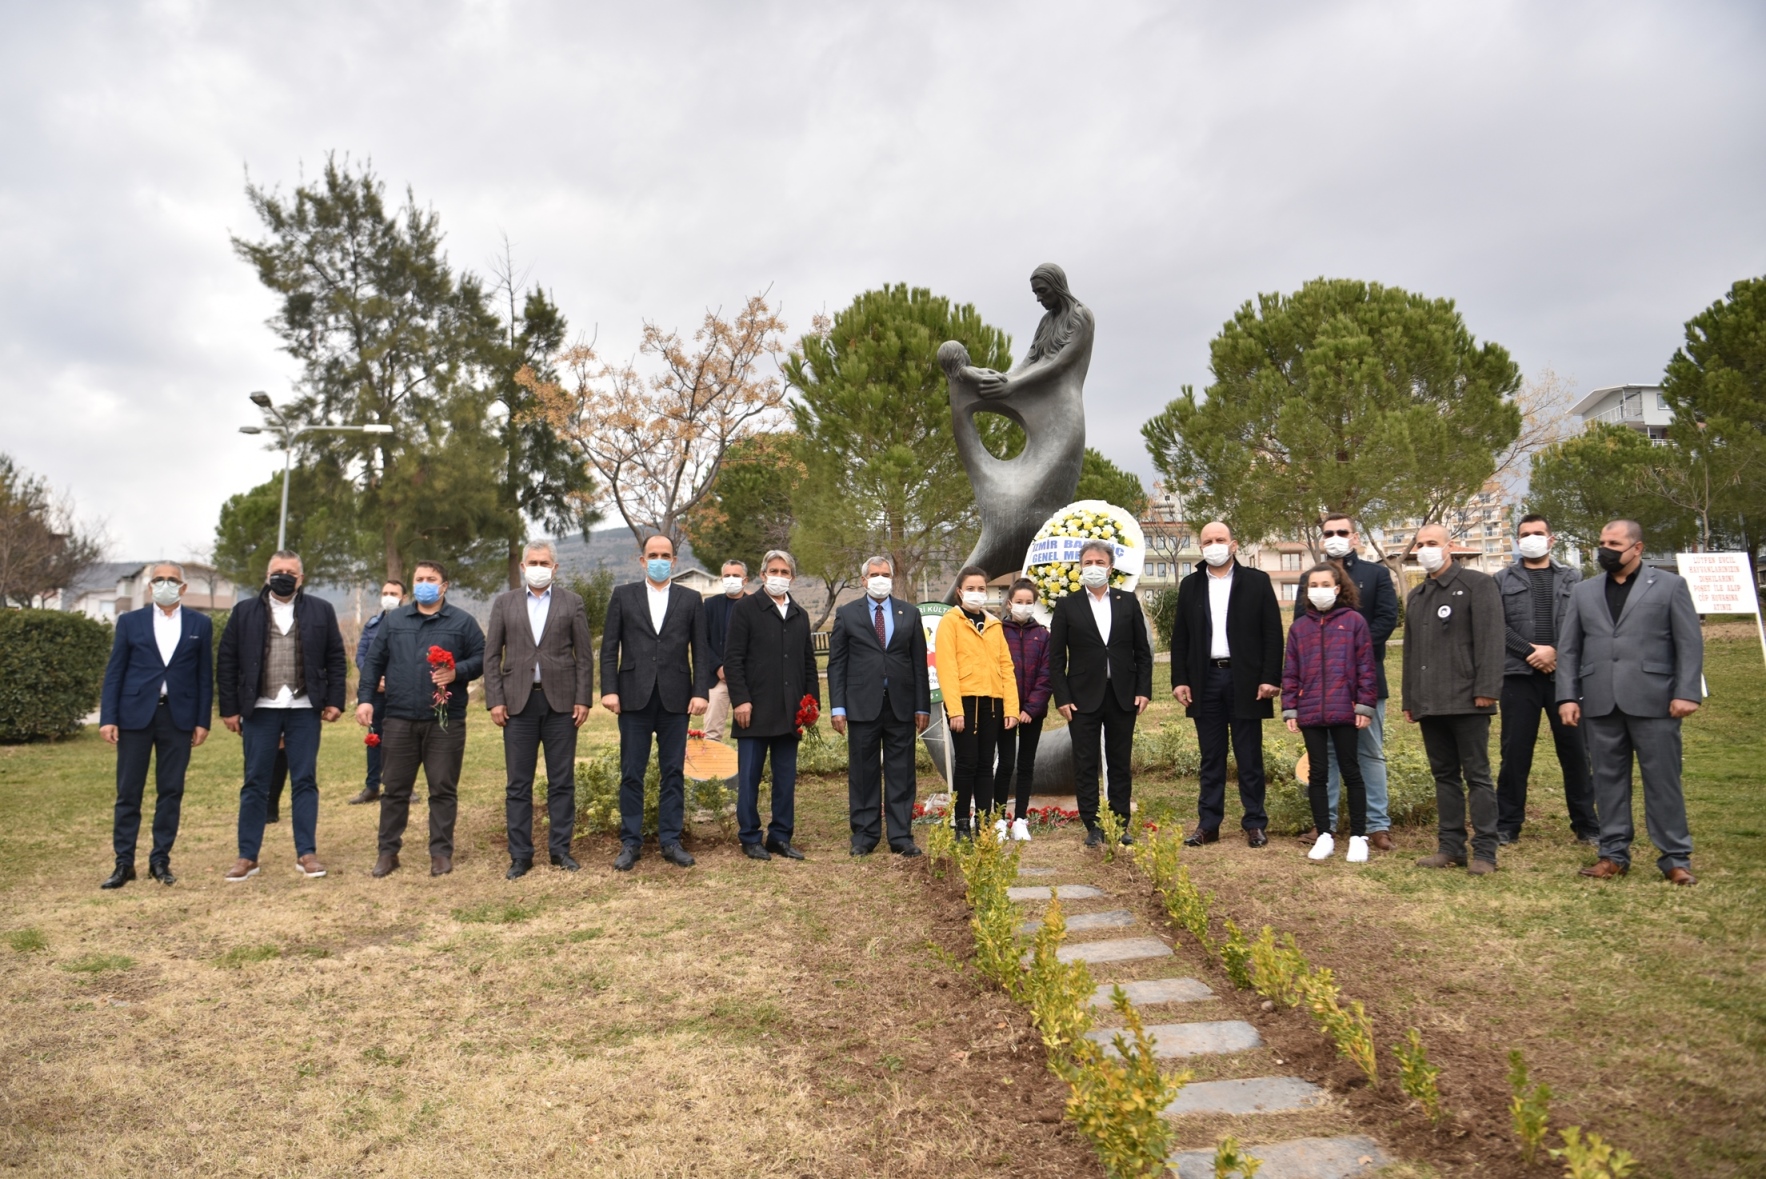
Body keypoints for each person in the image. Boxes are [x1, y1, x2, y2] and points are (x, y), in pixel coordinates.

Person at [1558, 519, 1703, 885]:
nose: (1604, 548)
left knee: (1663, 781)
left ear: (1637, 548)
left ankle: (1674, 857)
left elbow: (1688, 643)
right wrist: (1567, 696)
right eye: (1601, 541)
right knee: (1607, 782)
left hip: (1655, 700)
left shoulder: (1670, 586)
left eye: (1613, 542)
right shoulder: (1584, 591)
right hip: (1600, 702)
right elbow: (1569, 648)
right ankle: (1613, 854)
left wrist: (1686, 691)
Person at [217, 551, 347, 882]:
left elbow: (335, 656)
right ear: (266, 575)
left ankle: (307, 853)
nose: (284, 576)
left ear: (301, 578)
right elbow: (227, 660)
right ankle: (247, 856)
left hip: (305, 708)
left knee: (305, 780)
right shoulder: (244, 612)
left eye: (291, 571)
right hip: (259, 709)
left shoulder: (321, 609)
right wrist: (229, 708)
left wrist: (335, 699)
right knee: (255, 782)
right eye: (278, 571)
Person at [356, 559, 485, 878]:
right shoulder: (394, 620)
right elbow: (373, 662)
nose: (423, 583)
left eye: (431, 578)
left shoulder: (463, 622)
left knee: (442, 788)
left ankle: (440, 853)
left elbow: (483, 658)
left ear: (444, 586)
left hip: (445, 721)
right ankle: (388, 852)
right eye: (418, 578)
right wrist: (365, 700)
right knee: (394, 788)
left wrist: (458, 672)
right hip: (399, 717)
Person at [598, 534, 712, 872]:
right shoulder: (623, 595)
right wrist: (610, 689)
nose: (659, 559)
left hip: (676, 698)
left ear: (674, 561)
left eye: (666, 555)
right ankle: (630, 843)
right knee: (632, 772)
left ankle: (670, 841)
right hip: (633, 696)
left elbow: (701, 650)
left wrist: (700, 691)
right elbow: (609, 648)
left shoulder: (691, 599)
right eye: (653, 554)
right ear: (642, 560)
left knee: (673, 771)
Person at [97, 562, 213, 888]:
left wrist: (201, 720)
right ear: (150, 587)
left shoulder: (200, 624)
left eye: (172, 580)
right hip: (134, 716)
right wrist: (109, 717)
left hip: (178, 717)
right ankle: (124, 864)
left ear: (183, 587)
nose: (165, 584)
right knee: (128, 792)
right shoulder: (130, 622)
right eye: (159, 580)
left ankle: (160, 861)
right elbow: (115, 672)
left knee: (171, 790)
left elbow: (205, 676)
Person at [484, 541, 594, 879]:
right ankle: (520, 855)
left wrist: (583, 698)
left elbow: (584, 656)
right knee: (518, 784)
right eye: (532, 561)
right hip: (517, 704)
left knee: (562, 782)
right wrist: (495, 699)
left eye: (544, 562)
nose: (538, 566)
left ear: (555, 568)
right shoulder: (504, 604)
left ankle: (560, 850)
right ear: (522, 566)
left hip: (561, 704)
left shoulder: (571, 602)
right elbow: (491, 656)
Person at [1170, 521, 1283, 848]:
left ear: (1233, 544)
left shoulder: (1257, 582)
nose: (1214, 545)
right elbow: (1181, 639)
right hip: (1205, 680)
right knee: (1211, 757)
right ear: (1201, 546)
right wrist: (1180, 680)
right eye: (1208, 540)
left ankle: (1255, 823)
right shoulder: (1190, 586)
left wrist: (1270, 677)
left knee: (1249, 755)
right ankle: (1209, 823)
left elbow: (1273, 634)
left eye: (1220, 539)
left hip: (1246, 679)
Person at [1291, 513, 1400, 850]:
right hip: (1320, 690)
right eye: (1329, 533)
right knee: (1324, 758)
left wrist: (1354, 650)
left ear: (1354, 537)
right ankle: (1326, 825)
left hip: (1363, 683)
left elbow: (1387, 618)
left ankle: (1376, 825)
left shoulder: (1376, 574)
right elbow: (1301, 626)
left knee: (1368, 754)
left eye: (1342, 532)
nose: (1335, 537)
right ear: (1322, 539)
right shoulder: (1311, 577)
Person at [1402, 525, 1504, 875]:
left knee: (1477, 775)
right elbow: (1411, 653)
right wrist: (1410, 698)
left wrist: (1487, 688)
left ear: (1450, 547)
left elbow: (1492, 640)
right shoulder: (1417, 595)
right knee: (1443, 775)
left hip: (1469, 699)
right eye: (1420, 544)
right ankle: (1450, 847)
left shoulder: (1478, 584)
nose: (1426, 549)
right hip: (1429, 702)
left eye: (1433, 543)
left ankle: (1486, 852)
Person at [1494, 515, 1597, 845]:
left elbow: (1581, 623)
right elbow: (1496, 625)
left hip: (1564, 678)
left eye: (1538, 534)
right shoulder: (1500, 580)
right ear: (1517, 540)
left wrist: (1554, 652)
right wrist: (1529, 651)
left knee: (1576, 753)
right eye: (1525, 534)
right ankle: (1507, 825)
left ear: (1551, 540)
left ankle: (1586, 825)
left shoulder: (1574, 578)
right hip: (1518, 677)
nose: (1531, 539)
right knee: (1514, 753)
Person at [1049, 539, 1153, 847]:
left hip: (1123, 694)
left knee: (1119, 760)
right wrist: (1063, 696)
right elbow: (1056, 658)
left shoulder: (1127, 601)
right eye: (1087, 563)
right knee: (1085, 761)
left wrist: (1143, 689)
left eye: (1099, 562)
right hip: (1082, 698)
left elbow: (1142, 651)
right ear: (1080, 568)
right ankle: (1093, 825)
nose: (1094, 567)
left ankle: (1120, 824)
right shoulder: (1068, 605)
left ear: (1110, 567)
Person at [828, 555, 931, 856]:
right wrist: (837, 708)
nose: (880, 578)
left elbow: (919, 664)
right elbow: (837, 665)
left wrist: (922, 706)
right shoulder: (847, 614)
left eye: (885, 573)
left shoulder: (909, 613)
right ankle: (865, 834)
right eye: (874, 574)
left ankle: (900, 835)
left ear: (892, 577)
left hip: (901, 705)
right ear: (863, 580)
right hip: (861, 705)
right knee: (863, 772)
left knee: (901, 772)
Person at [723, 549, 818, 861]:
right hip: (753, 711)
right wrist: (741, 700)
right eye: (773, 571)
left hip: (790, 713)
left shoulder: (800, 615)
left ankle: (780, 836)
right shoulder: (747, 609)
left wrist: (811, 706)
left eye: (785, 572)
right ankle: (750, 836)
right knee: (749, 778)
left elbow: (807, 664)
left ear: (792, 577)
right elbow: (733, 659)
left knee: (785, 779)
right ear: (763, 575)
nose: (779, 576)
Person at [1283, 563, 1378, 863]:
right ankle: (1324, 833)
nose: (1319, 590)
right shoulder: (1299, 628)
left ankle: (1359, 836)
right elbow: (1291, 671)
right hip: (1310, 710)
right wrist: (1290, 707)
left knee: (1352, 771)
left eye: (1326, 584)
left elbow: (1366, 667)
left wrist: (1364, 704)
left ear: (1338, 589)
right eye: (1313, 585)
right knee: (1318, 774)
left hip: (1345, 710)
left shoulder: (1354, 622)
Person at [934, 566, 1020, 839]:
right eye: (971, 588)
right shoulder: (951, 621)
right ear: (959, 592)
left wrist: (1012, 708)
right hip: (965, 703)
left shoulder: (995, 624)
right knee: (967, 762)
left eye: (981, 588)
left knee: (986, 764)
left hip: (993, 703)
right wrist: (955, 710)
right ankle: (961, 823)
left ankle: (982, 822)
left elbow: (1006, 667)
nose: (977, 593)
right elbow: (946, 667)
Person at [996, 578, 1052, 841]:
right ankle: (998, 819)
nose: (1024, 606)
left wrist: (1031, 708)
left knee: (1026, 764)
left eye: (1029, 602)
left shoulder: (1043, 635)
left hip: (1032, 712)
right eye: (1019, 602)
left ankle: (1020, 819)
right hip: (1004, 710)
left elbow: (1047, 674)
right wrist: (1010, 708)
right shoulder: (997, 632)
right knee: (1005, 763)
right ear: (1009, 603)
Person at [348, 578, 406, 805]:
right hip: (377, 692)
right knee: (374, 740)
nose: (388, 596)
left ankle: (401, 786)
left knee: (402, 741)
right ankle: (372, 787)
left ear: (404, 598)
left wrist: (392, 680)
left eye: (393, 592)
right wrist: (374, 680)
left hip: (402, 692)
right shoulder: (372, 624)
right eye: (385, 592)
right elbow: (362, 656)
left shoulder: (411, 622)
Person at [701, 560, 748, 743]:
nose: (731, 579)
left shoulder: (754, 606)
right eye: (727, 576)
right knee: (712, 732)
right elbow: (702, 641)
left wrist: (737, 671)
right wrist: (718, 667)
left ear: (745, 580)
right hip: (717, 679)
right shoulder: (710, 605)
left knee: (748, 729)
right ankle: (711, 770)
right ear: (721, 578)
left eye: (736, 576)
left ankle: (745, 770)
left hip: (746, 680)